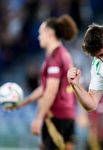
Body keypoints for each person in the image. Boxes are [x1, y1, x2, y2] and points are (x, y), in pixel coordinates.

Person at [6, 14, 78, 150]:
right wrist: (23, 103)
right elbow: (45, 87)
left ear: (50, 33)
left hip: (56, 117)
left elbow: (51, 90)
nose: (39, 37)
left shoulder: (54, 58)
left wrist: (39, 118)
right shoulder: (64, 54)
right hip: (66, 115)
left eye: (41, 33)